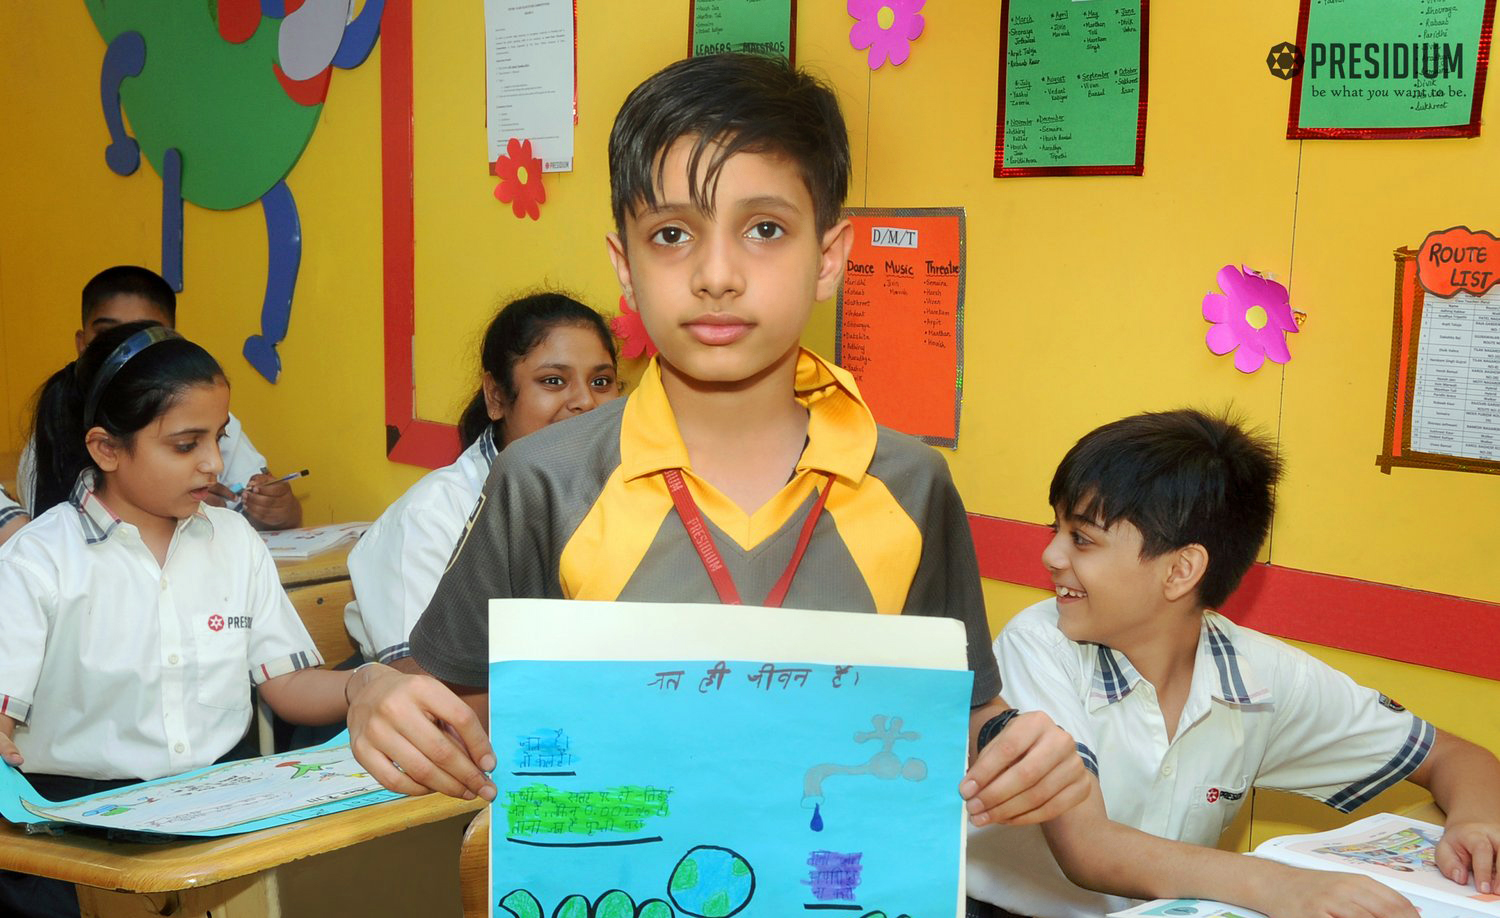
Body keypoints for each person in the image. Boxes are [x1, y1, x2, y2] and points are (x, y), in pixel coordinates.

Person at [343, 54, 1090, 834]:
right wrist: (372, 692)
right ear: (624, 266)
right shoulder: (544, 480)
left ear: (829, 256)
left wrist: (1016, 744)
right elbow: (438, 695)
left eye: (764, 229)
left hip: (833, 917)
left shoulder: (909, 485)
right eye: (672, 234)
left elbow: (962, 713)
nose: (717, 274)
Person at [964, 409, 1500, 918]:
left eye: (1082, 539)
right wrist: (1283, 887)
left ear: (1182, 570)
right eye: (1057, 529)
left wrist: (1478, 821)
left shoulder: (1262, 675)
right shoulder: (1038, 644)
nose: (1052, 556)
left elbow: (1456, 757)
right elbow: (1089, 849)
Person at [0, 322, 349, 918]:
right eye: (186, 444)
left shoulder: (234, 540)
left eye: (219, 436)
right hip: (80, 841)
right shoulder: (39, 561)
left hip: (216, 812)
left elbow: (287, 684)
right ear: (105, 448)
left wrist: (367, 685)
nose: (216, 464)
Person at [344, 291, 620, 665]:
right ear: (495, 396)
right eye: (554, 381)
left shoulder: (630, 495)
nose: (585, 402)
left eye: (602, 382)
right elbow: (421, 688)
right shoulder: (431, 517)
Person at [18, 265, 302, 529]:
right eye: (185, 445)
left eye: (145, 333)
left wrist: (278, 507)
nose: (128, 348)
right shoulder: (55, 427)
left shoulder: (208, 419)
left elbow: (278, 511)